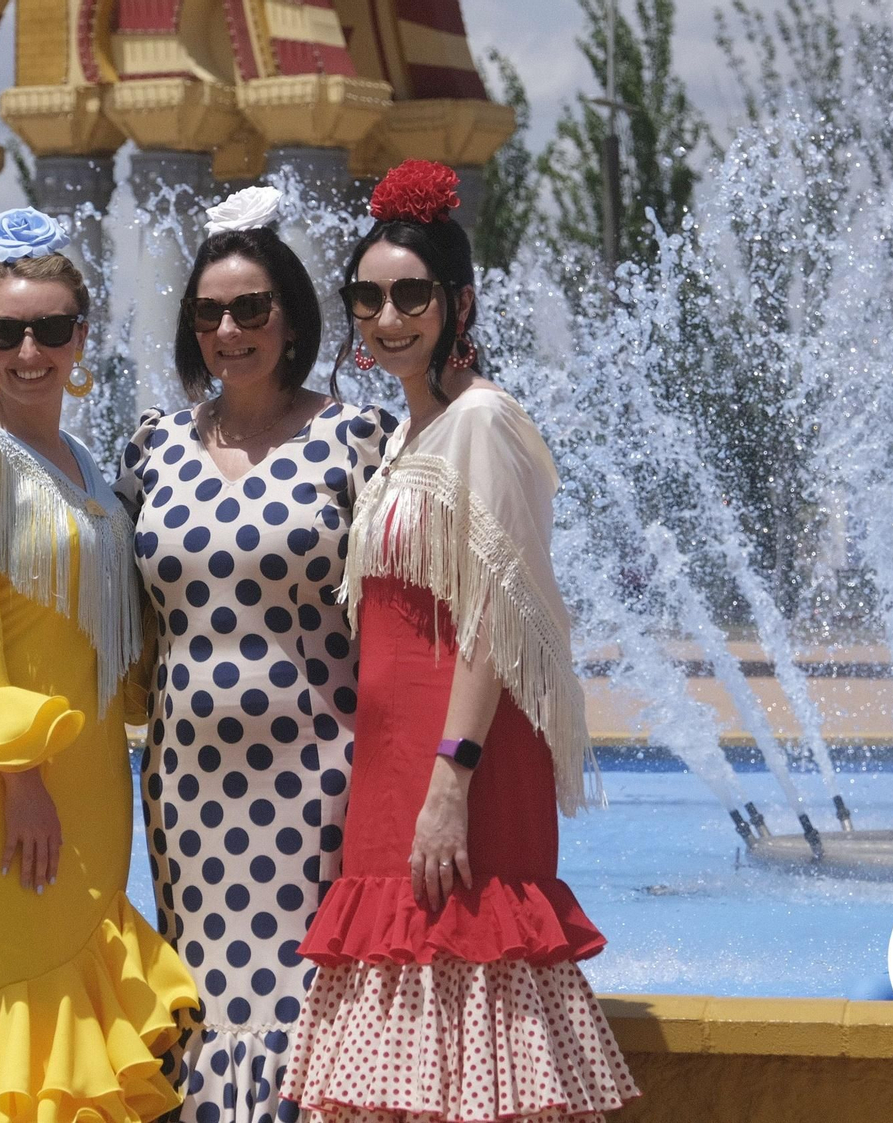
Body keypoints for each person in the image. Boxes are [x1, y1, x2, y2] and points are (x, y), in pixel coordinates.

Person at [279, 162, 637, 1123]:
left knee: (467, 975)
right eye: (367, 297)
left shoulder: (481, 421)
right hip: (392, 765)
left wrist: (451, 779)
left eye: (411, 295)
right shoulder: (409, 434)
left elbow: (494, 617)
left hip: (457, 767)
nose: (387, 317)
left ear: (459, 302)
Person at [0, 208, 198, 1123]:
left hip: (91, 790)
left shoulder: (88, 467)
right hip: (10, 797)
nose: (30, 351)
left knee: (76, 1039)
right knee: (26, 1028)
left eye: (52, 328)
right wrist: (20, 780)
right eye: (7, 331)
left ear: (80, 338)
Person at [114, 185, 394, 1123]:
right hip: (187, 785)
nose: (228, 331)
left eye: (250, 308)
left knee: (304, 994)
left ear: (291, 317)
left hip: (316, 776)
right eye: (208, 313)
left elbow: (399, 615)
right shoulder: (152, 447)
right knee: (203, 994)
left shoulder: (355, 438)